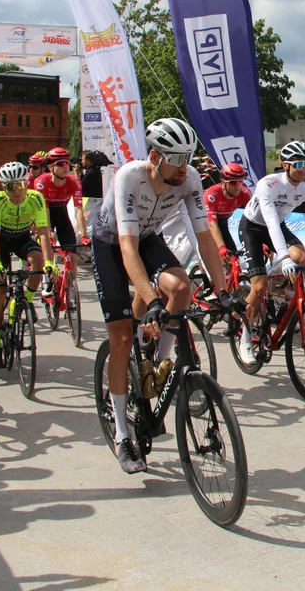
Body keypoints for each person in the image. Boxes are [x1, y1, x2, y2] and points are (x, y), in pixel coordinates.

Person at [91, 117, 233, 474]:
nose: (185, 167)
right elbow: (127, 248)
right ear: (155, 157)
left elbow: (204, 239)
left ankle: (158, 362)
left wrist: (223, 291)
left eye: (189, 158)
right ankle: (123, 435)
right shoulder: (129, 177)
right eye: (177, 158)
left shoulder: (190, 179)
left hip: (149, 237)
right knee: (122, 338)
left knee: (182, 288)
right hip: (112, 244)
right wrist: (152, 300)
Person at [239, 141, 305, 363]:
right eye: (298, 164)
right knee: (258, 287)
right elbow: (269, 222)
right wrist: (283, 255)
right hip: (253, 227)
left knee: (302, 258)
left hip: (278, 226)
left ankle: (282, 300)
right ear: (284, 164)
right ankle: (245, 337)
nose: (304, 169)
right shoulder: (267, 184)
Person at [0, 162, 56, 370]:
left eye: (19, 184)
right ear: (3, 187)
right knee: (1, 290)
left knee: (38, 262)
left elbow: (43, 233)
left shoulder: (35, 198)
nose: (15, 190)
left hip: (22, 237)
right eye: (9, 186)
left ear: (27, 184)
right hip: (2, 241)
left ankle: (26, 300)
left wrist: (50, 262)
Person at [33, 147, 86, 293]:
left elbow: (78, 209)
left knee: (72, 255)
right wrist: (48, 231)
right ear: (50, 167)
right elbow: (45, 211)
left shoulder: (74, 181)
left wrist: (85, 234)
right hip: (46, 215)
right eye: (61, 164)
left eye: (67, 163)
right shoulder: (41, 182)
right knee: (48, 249)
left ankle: (70, 292)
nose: (65, 167)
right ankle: (47, 282)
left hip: (62, 216)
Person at [204, 162, 251, 263]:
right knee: (213, 259)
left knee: (233, 258)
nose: (238, 186)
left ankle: (230, 277)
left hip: (223, 223)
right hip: (206, 224)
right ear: (223, 182)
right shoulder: (212, 194)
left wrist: (263, 243)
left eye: (240, 182)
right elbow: (212, 225)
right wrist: (221, 247)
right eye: (233, 182)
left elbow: (253, 220)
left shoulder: (245, 193)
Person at [80, 150, 110, 233]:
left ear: (88, 161)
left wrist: (77, 174)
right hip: (94, 202)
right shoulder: (94, 171)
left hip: (91, 204)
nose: (81, 162)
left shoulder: (91, 172)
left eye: (83, 159)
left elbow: (81, 187)